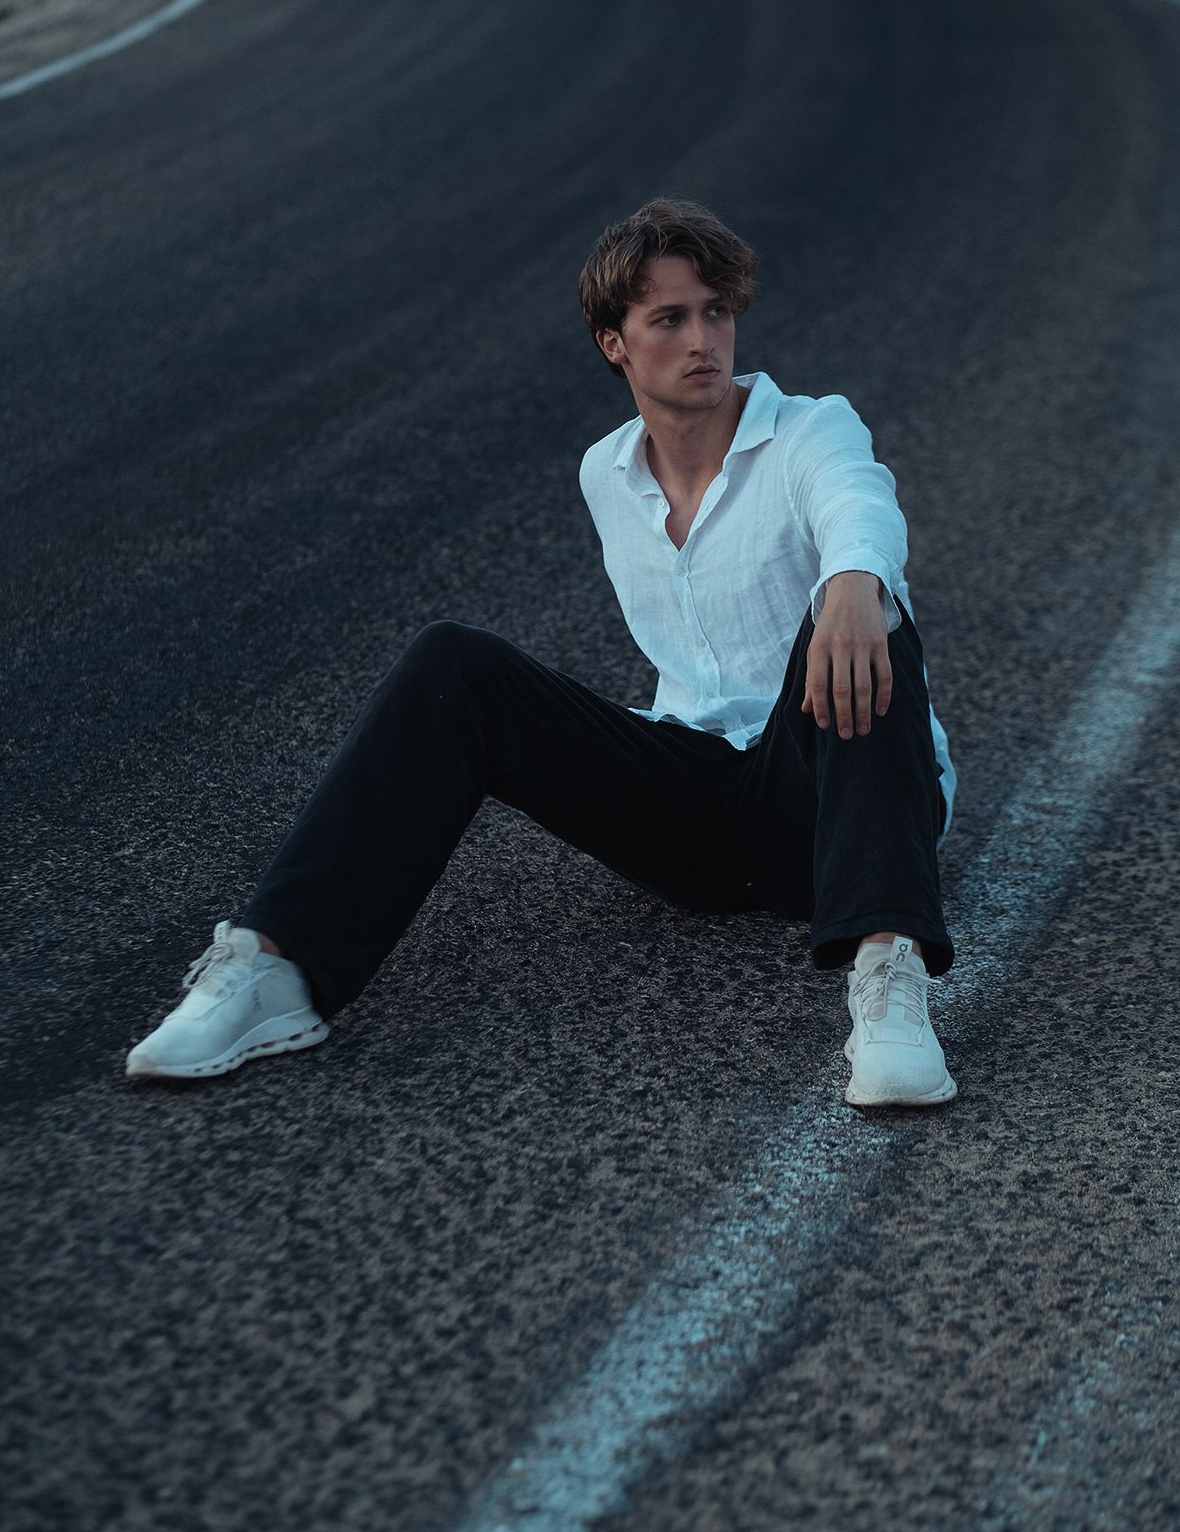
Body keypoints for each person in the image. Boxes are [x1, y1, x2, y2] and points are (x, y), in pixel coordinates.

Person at [126, 198, 957, 1107]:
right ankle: (276, 969)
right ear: (614, 343)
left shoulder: (807, 429)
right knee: (454, 666)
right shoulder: (606, 473)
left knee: (862, 608)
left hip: (830, 801)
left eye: (716, 311)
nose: (703, 339)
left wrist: (853, 581)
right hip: (700, 811)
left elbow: (858, 503)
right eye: (669, 319)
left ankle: (891, 976)